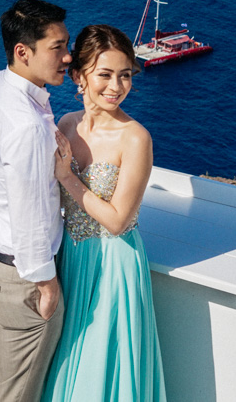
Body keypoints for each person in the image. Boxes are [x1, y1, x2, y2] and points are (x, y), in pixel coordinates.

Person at [40, 24, 166, 402]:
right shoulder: (65, 124)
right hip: (72, 260)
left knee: (102, 373)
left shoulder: (135, 138)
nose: (117, 86)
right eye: (105, 74)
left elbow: (117, 220)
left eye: (125, 75)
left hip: (114, 268)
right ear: (79, 76)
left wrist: (67, 176)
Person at [0, 0, 71, 402]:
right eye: (57, 47)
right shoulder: (28, 126)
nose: (68, 56)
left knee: (1, 379)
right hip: (22, 278)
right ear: (22, 52)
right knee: (15, 392)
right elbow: (29, 215)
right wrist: (47, 286)